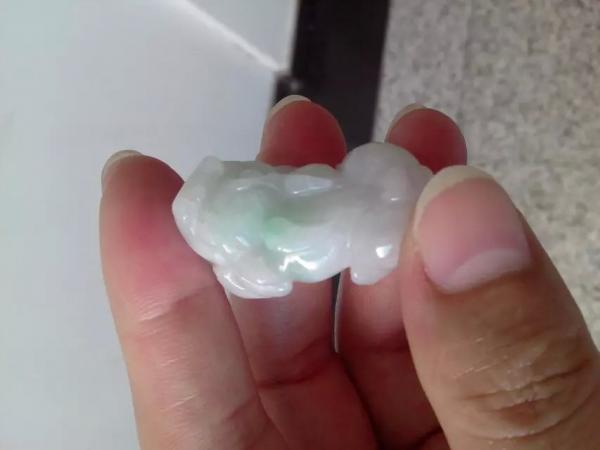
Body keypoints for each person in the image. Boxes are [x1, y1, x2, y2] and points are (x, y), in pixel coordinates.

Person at [99, 97, 600, 449]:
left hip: (360, 210)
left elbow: (307, 190)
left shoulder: (283, 209)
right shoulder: (257, 255)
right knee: (381, 224)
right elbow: (274, 257)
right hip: (358, 228)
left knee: (380, 204)